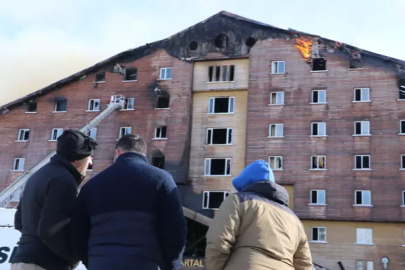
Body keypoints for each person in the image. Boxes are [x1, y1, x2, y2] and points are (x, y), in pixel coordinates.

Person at [70, 134, 187, 270]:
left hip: (100, 263)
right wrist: (171, 265)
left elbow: (77, 231)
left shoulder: (91, 185)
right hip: (145, 263)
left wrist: (91, 262)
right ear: (144, 154)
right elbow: (176, 228)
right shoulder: (161, 179)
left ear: (117, 152)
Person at [11, 130, 97, 270]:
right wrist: (72, 257)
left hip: (22, 260)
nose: (91, 163)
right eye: (89, 158)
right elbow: (50, 230)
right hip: (45, 264)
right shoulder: (64, 180)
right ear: (76, 159)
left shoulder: (38, 175)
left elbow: (19, 221)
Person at [205, 160, 313, 270]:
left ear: (245, 183)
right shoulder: (294, 219)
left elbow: (219, 242)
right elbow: (305, 263)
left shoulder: (237, 200)